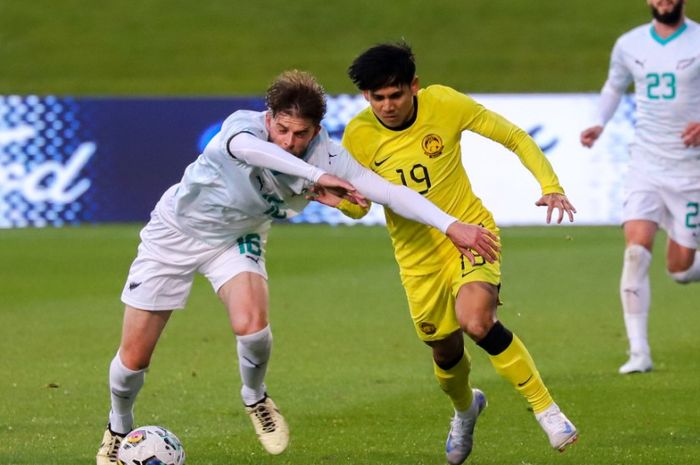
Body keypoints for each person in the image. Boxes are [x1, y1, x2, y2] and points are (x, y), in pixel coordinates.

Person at [95, 69, 508, 465]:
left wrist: (451, 224)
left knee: (252, 326)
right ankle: (118, 427)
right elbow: (252, 152)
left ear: (316, 130)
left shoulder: (327, 153)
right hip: (175, 233)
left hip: (237, 237)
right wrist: (315, 179)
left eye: (302, 134)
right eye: (283, 130)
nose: (290, 142)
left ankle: (255, 398)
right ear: (269, 118)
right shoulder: (244, 127)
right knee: (134, 358)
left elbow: (387, 191)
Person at [342, 42, 579, 465]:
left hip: (470, 233)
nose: (388, 106)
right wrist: (337, 199)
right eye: (377, 98)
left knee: (477, 320)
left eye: (396, 94)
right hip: (417, 259)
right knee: (445, 353)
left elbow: (513, 136)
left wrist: (550, 184)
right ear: (366, 97)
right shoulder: (358, 136)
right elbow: (358, 207)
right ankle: (466, 410)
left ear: (414, 86)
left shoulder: (445, 103)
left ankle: (547, 410)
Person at [580, 0, 700, 374]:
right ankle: (639, 353)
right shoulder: (629, 44)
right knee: (635, 250)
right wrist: (598, 122)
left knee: (680, 271)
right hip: (645, 165)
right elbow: (614, 87)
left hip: (690, 171)